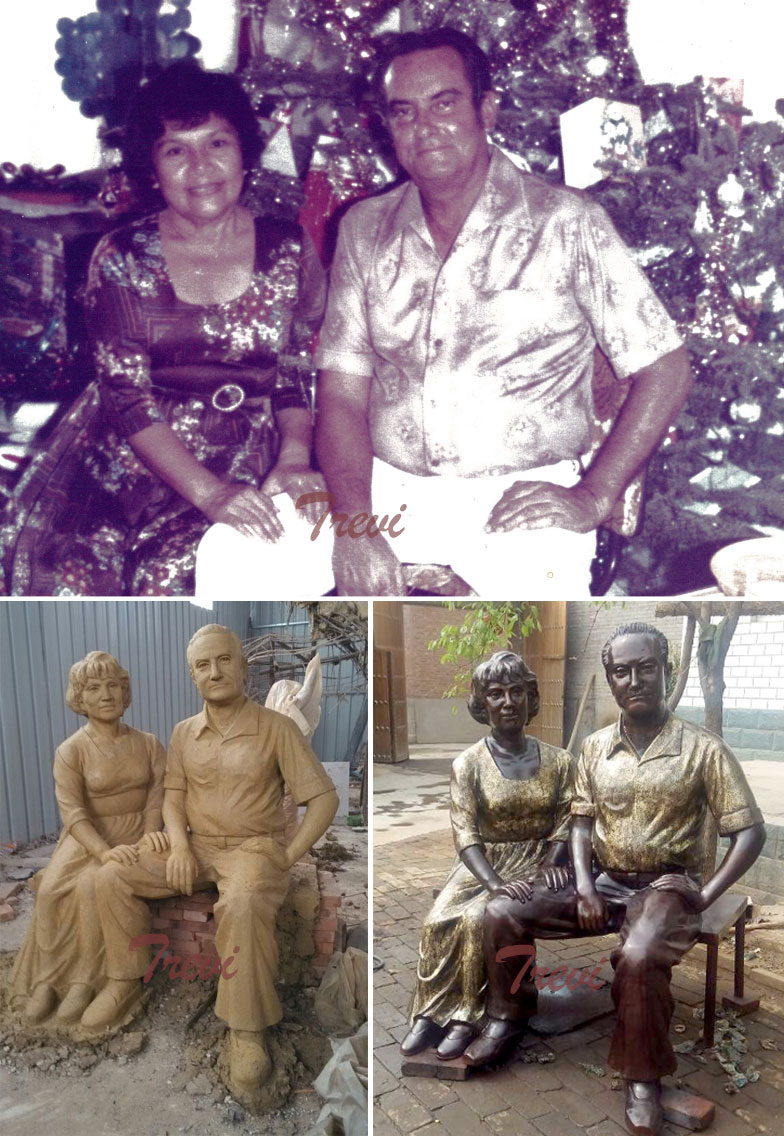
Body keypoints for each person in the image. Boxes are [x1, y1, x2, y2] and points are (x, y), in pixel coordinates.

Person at [314, 27, 693, 597]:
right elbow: (342, 393)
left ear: (485, 108)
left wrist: (594, 495)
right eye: (405, 112)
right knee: (241, 555)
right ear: (387, 126)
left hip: (521, 500)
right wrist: (354, 524)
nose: (426, 128)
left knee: (504, 660)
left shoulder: (567, 221)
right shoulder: (364, 229)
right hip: (381, 491)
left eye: (445, 103)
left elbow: (668, 368)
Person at [0, 61, 330, 596]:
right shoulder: (122, 257)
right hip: (128, 459)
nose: (201, 166)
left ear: (245, 152)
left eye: (218, 142)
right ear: (152, 169)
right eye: (176, 149)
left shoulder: (287, 246)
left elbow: (292, 364)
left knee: (197, 573)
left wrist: (293, 457)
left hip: (249, 453)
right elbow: (126, 398)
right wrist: (211, 494)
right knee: (71, 582)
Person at [469, 623, 765, 1136]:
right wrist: (582, 885)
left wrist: (704, 894)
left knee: (638, 955)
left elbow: (750, 833)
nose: (635, 680)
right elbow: (580, 824)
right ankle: (509, 1015)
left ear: (666, 671)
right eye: (622, 671)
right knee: (500, 911)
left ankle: (642, 1074)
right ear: (610, 680)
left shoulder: (703, 749)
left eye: (646, 667)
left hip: (665, 887)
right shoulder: (594, 748)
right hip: (603, 883)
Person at [81, 624, 338, 1096]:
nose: (214, 671)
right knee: (113, 873)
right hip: (195, 846)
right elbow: (173, 799)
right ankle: (124, 980)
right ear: (192, 676)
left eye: (224, 660)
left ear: (243, 667)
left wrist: (287, 854)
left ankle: (246, 1029)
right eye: (203, 665)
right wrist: (177, 845)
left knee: (240, 905)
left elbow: (322, 798)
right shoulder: (183, 734)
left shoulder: (275, 729)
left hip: (253, 848)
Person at [400, 652, 573, 1062]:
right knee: (438, 919)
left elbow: (568, 818)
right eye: (496, 694)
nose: (508, 701)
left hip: (536, 861)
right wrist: (493, 881)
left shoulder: (559, 761)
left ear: (531, 698)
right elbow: (465, 832)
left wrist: (553, 861)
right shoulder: (468, 764)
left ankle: (468, 1018)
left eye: (517, 691)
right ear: (483, 703)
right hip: (483, 864)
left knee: (481, 919)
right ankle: (430, 1012)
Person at [11, 651, 166, 1024]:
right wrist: (103, 850)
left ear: (125, 692)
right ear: (80, 698)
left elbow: (158, 796)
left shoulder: (148, 744)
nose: (106, 695)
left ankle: (85, 982)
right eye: (94, 688)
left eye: (113, 685)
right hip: (87, 837)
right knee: (49, 892)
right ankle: (49, 981)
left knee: (93, 887)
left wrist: (149, 836)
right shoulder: (71, 751)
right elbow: (74, 813)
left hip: (137, 833)